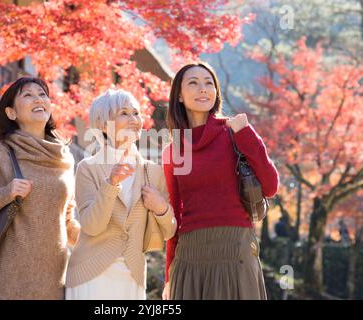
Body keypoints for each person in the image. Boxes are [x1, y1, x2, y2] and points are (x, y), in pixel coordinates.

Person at [162, 62, 279, 300]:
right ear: (180, 96)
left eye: (208, 83)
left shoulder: (235, 133)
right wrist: (168, 276)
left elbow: (271, 186)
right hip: (190, 259)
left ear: (216, 92)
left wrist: (247, 133)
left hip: (235, 252)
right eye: (193, 83)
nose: (202, 89)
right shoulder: (174, 150)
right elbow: (174, 218)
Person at [0, 77, 79, 299]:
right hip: (4, 283)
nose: (38, 99)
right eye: (28, 95)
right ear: (11, 113)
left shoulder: (65, 159)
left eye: (42, 94)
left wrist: (103, 239)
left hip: (52, 282)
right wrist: (6, 194)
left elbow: (66, 221)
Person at [65, 89, 177, 300]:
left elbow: (170, 230)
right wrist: (111, 184)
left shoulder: (153, 171)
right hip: (89, 275)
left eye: (136, 113)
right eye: (124, 113)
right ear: (104, 123)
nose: (134, 119)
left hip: (132, 276)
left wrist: (160, 207)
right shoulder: (88, 167)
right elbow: (91, 226)